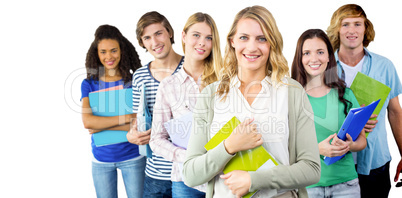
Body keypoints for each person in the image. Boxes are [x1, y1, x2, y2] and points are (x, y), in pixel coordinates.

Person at [183, 5, 320, 198]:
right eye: (244, 38)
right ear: (232, 41)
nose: (252, 47)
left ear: (272, 43)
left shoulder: (292, 92)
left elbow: (312, 168)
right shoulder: (211, 95)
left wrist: (254, 180)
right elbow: (190, 174)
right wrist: (228, 147)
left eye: (262, 39)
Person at [327, 4, 402, 198]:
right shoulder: (323, 67)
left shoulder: (384, 66)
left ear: (365, 28)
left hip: (375, 162)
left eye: (357, 24)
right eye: (345, 24)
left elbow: (395, 112)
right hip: (335, 163)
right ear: (337, 29)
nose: (352, 30)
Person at [150, 12, 223, 198]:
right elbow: (156, 139)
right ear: (183, 36)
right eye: (196, 35)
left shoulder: (225, 81)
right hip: (185, 181)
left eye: (209, 38)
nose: (202, 43)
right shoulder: (168, 86)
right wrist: (188, 157)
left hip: (222, 177)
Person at [291, 29, 367, 197]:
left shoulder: (345, 94)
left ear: (328, 57)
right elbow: (284, 147)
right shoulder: (292, 97)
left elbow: (362, 141)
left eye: (320, 52)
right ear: (300, 58)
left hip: (346, 185)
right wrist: (317, 149)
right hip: (308, 186)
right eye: (307, 53)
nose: (314, 59)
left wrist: (349, 145)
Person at [81, 24, 144, 198]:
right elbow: (88, 122)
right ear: (97, 53)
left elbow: (140, 123)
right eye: (103, 52)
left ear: (121, 50)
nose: (109, 56)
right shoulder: (89, 84)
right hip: (101, 161)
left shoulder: (134, 81)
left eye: (113, 50)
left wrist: (101, 126)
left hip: (133, 158)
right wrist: (127, 119)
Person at [127, 11, 184, 198]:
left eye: (159, 33)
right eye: (147, 38)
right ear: (142, 42)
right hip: (155, 174)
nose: (155, 42)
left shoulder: (191, 67)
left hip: (187, 172)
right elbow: (136, 118)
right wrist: (132, 134)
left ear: (169, 33)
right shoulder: (140, 76)